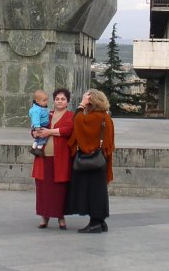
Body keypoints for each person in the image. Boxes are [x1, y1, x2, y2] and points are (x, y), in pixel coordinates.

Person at [67, 89, 115, 233]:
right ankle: (100, 221)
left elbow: (78, 122)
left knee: (92, 191)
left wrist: (81, 105)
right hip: (101, 159)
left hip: (91, 160)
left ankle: (94, 223)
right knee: (99, 191)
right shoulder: (106, 117)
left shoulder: (94, 117)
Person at [32, 88, 74, 229]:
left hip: (60, 159)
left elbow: (68, 130)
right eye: (57, 99)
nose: (60, 101)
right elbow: (35, 127)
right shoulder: (46, 114)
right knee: (43, 189)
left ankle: (61, 218)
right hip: (44, 158)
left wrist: (49, 132)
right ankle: (44, 217)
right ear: (54, 100)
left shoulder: (70, 115)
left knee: (59, 190)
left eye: (63, 99)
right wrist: (35, 132)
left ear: (67, 101)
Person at [29, 90, 51, 157]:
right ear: (37, 101)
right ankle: (39, 149)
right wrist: (37, 126)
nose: (46, 102)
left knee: (38, 138)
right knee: (42, 137)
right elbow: (35, 119)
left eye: (47, 100)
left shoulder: (41, 107)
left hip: (40, 125)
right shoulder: (37, 110)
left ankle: (33, 148)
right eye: (44, 101)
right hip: (40, 125)